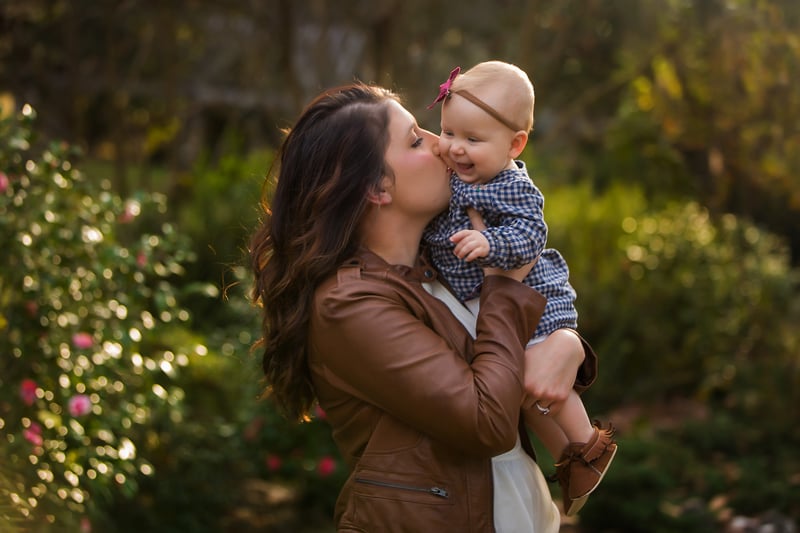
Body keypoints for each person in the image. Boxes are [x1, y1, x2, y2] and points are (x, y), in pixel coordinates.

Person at [250, 82, 598, 531]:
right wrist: (504, 284)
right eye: (416, 139)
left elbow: (515, 359)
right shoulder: (349, 304)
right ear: (377, 187)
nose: (441, 146)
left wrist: (568, 342)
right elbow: (486, 421)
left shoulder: (440, 265)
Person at [424, 60, 617, 516]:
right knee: (526, 395)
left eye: (473, 140)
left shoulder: (512, 186)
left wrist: (490, 240)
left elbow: (532, 236)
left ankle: (588, 446)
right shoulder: (451, 172)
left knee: (539, 373)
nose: (455, 149)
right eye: (448, 133)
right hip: (494, 297)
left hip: (534, 295)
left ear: (515, 145)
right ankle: (569, 456)